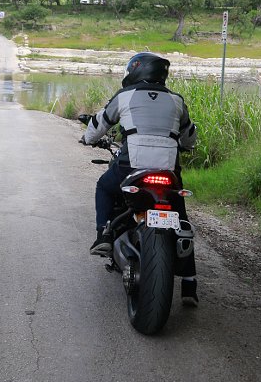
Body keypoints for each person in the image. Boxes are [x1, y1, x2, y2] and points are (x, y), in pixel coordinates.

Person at [80, 52, 200, 305]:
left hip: (130, 166)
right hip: (168, 171)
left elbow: (99, 123)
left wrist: (87, 139)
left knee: (104, 187)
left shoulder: (125, 96)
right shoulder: (176, 100)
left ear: (135, 71)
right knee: (180, 218)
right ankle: (189, 284)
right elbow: (189, 136)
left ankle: (103, 235)